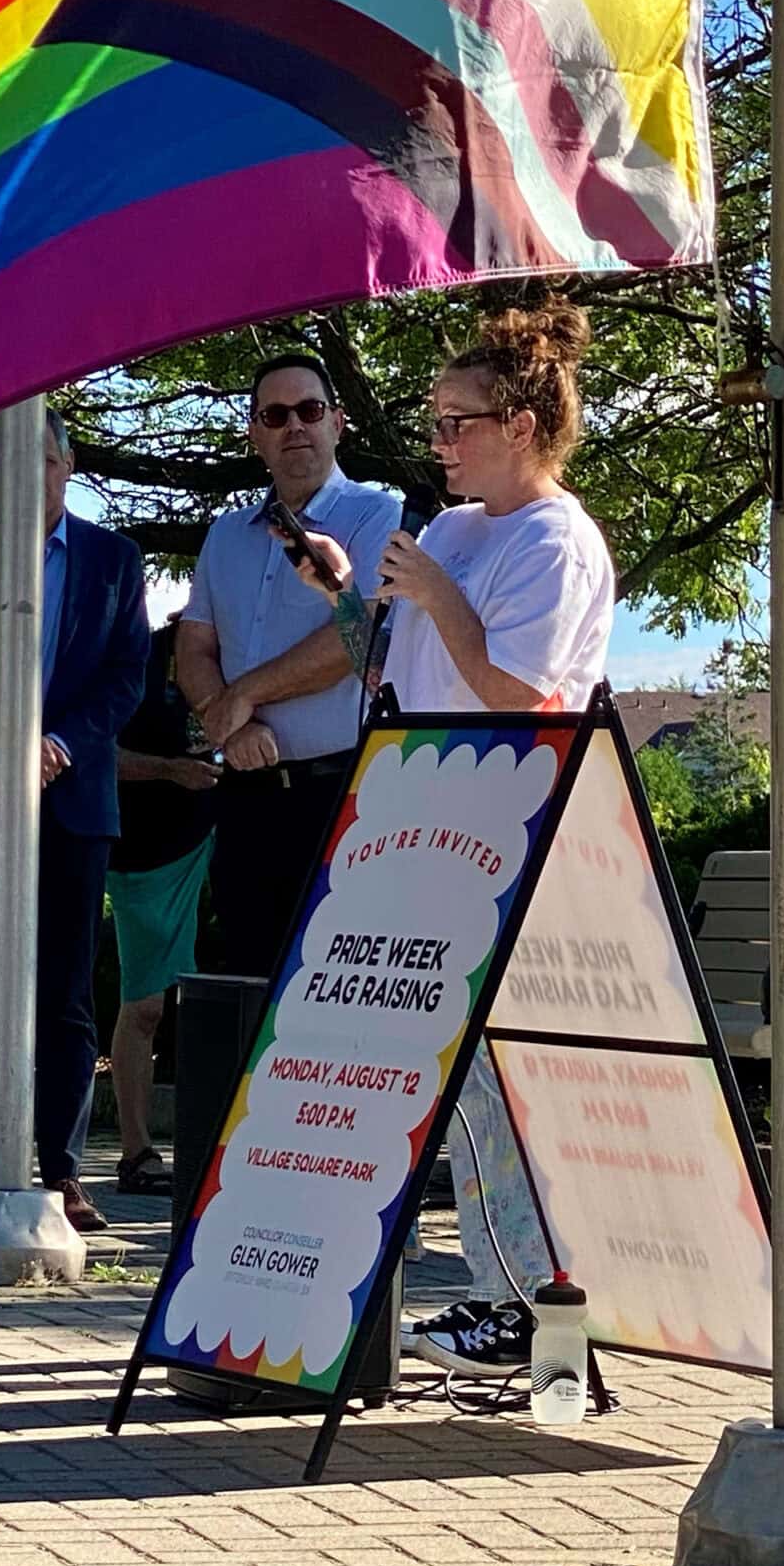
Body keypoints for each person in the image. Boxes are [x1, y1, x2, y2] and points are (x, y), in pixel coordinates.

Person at [284, 303, 614, 1377]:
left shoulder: (557, 542)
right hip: (414, 827)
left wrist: (436, 593)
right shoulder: (460, 531)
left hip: (508, 836)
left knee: (500, 1081)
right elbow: (394, 669)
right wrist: (348, 594)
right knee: (449, 1078)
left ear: (520, 425)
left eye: (454, 423)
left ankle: (522, 1304)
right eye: (434, 424)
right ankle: (480, 1294)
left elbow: (521, 696)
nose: (438, 443)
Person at [0, 409, 151, 1235]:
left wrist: (56, 743)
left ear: (65, 464)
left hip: (74, 797)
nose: (28, 480)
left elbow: (127, 679)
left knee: (66, 992)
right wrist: (10, 735)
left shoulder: (116, 562)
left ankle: (62, 1170)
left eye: (41, 463)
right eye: (10, 466)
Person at [177, 353, 399, 980]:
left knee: (337, 992)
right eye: (276, 415)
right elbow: (194, 646)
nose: (294, 426)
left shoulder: (379, 515)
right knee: (252, 989)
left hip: (342, 796)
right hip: (247, 804)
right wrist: (232, 727)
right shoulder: (225, 535)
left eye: (310, 410)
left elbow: (352, 644)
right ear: (255, 434)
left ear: (339, 422)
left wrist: (240, 696)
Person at [106, 614, 218, 1194]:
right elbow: (100, 751)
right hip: (146, 853)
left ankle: (230, 1150)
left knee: (230, 1001)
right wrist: (171, 771)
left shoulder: (252, 652)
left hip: (226, 838)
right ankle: (136, 1150)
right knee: (146, 1004)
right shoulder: (137, 657)